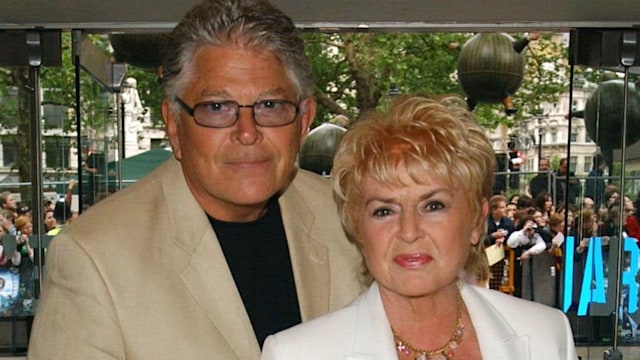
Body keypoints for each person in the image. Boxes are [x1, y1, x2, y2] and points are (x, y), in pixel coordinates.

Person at [28, 1, 364, 358]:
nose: (247, 133)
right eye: (217, 108)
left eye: (270, 105)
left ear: (304, 120)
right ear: (173, 125)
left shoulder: (350, 219)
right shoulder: (95, 258)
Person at [261, 94, 576, 360]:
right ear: (358, 227)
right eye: (384, 211)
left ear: (476, 220)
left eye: (433, 206)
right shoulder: (296, 353)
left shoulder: (546, 336)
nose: (409, 231)